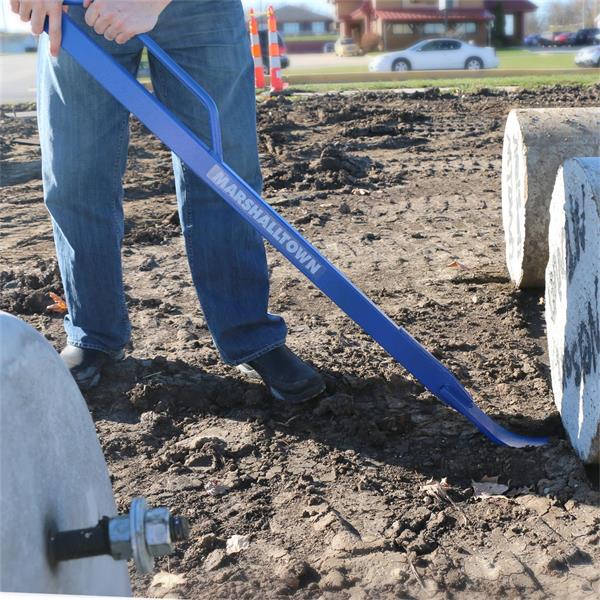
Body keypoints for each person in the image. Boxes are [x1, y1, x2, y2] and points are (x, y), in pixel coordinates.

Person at [12, 0, 325, 403]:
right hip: (77, 9)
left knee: (223, 174)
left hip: (200, 10)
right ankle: (93, 333)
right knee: (77, 174)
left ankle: (249, 334)